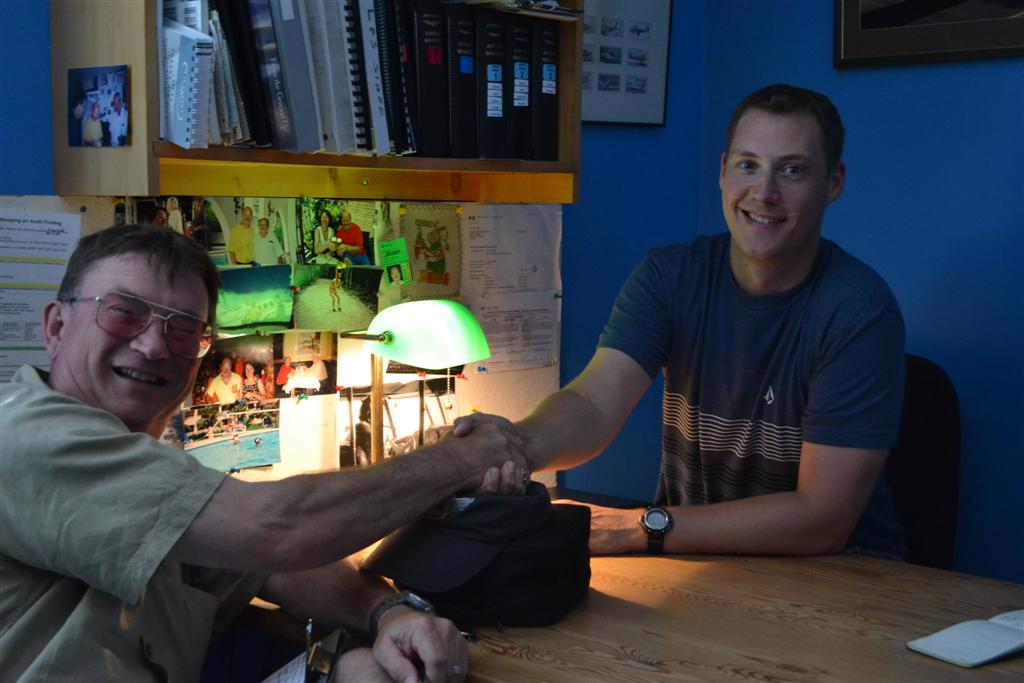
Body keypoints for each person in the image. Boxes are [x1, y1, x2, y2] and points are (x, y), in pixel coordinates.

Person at [0, 224, 530, 681]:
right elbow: (277, 530)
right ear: (55, 326)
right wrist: (462, 457)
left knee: (364, 671)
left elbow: (265, 568)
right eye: (124, 313)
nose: (154, 345)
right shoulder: (27, 436)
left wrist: (387, 612)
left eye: (183, 328)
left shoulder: (140, 466)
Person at [455, 84, 907, 560]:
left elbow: (821, 521)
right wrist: (516, 445)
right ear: (722, 171)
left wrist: (638, 528)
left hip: (838, 581)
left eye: (792, 170)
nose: (764, 192)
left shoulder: (858, 311)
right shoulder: (671, 277)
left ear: (833, 183)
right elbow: (592, 404)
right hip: (695, 559)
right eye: (747, 165)